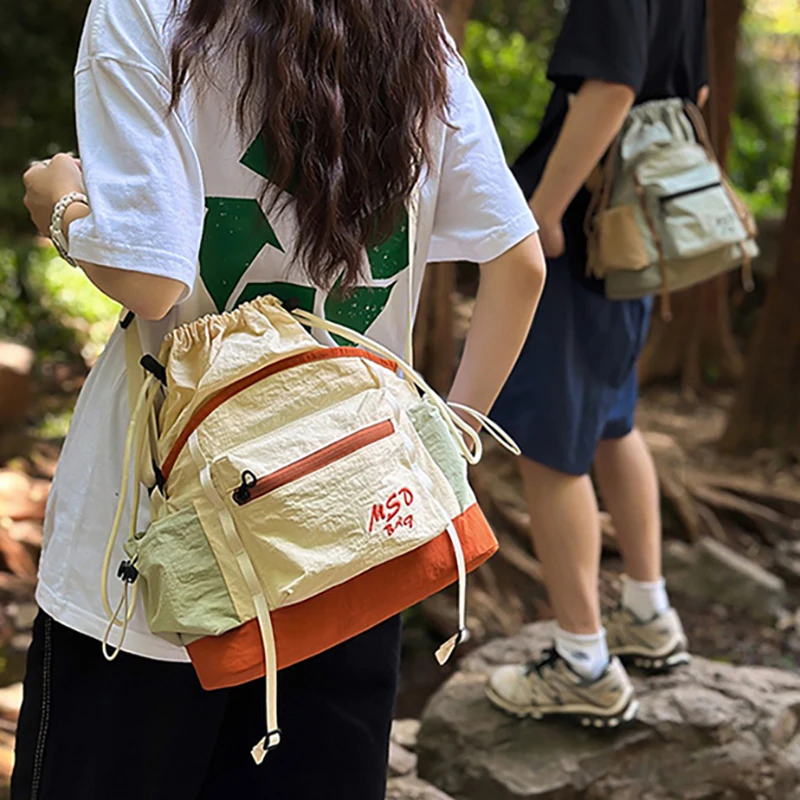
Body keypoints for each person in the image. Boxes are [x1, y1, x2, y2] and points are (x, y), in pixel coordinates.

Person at [15, 1, 546, 797]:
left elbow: (151, 277)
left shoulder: (142, 12)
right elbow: (521, 263)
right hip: (355, 539)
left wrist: (62, 206)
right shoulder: (411, 31)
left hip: (150, 567)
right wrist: (443, 448)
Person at [486, 0, 705, 725]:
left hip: (579, 236)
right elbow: (693, 93)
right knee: (614, 422)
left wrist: (543, 212)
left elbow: (609, 87)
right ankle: (647, 614)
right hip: (631, 231)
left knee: (550, 453)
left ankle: (583, 661)